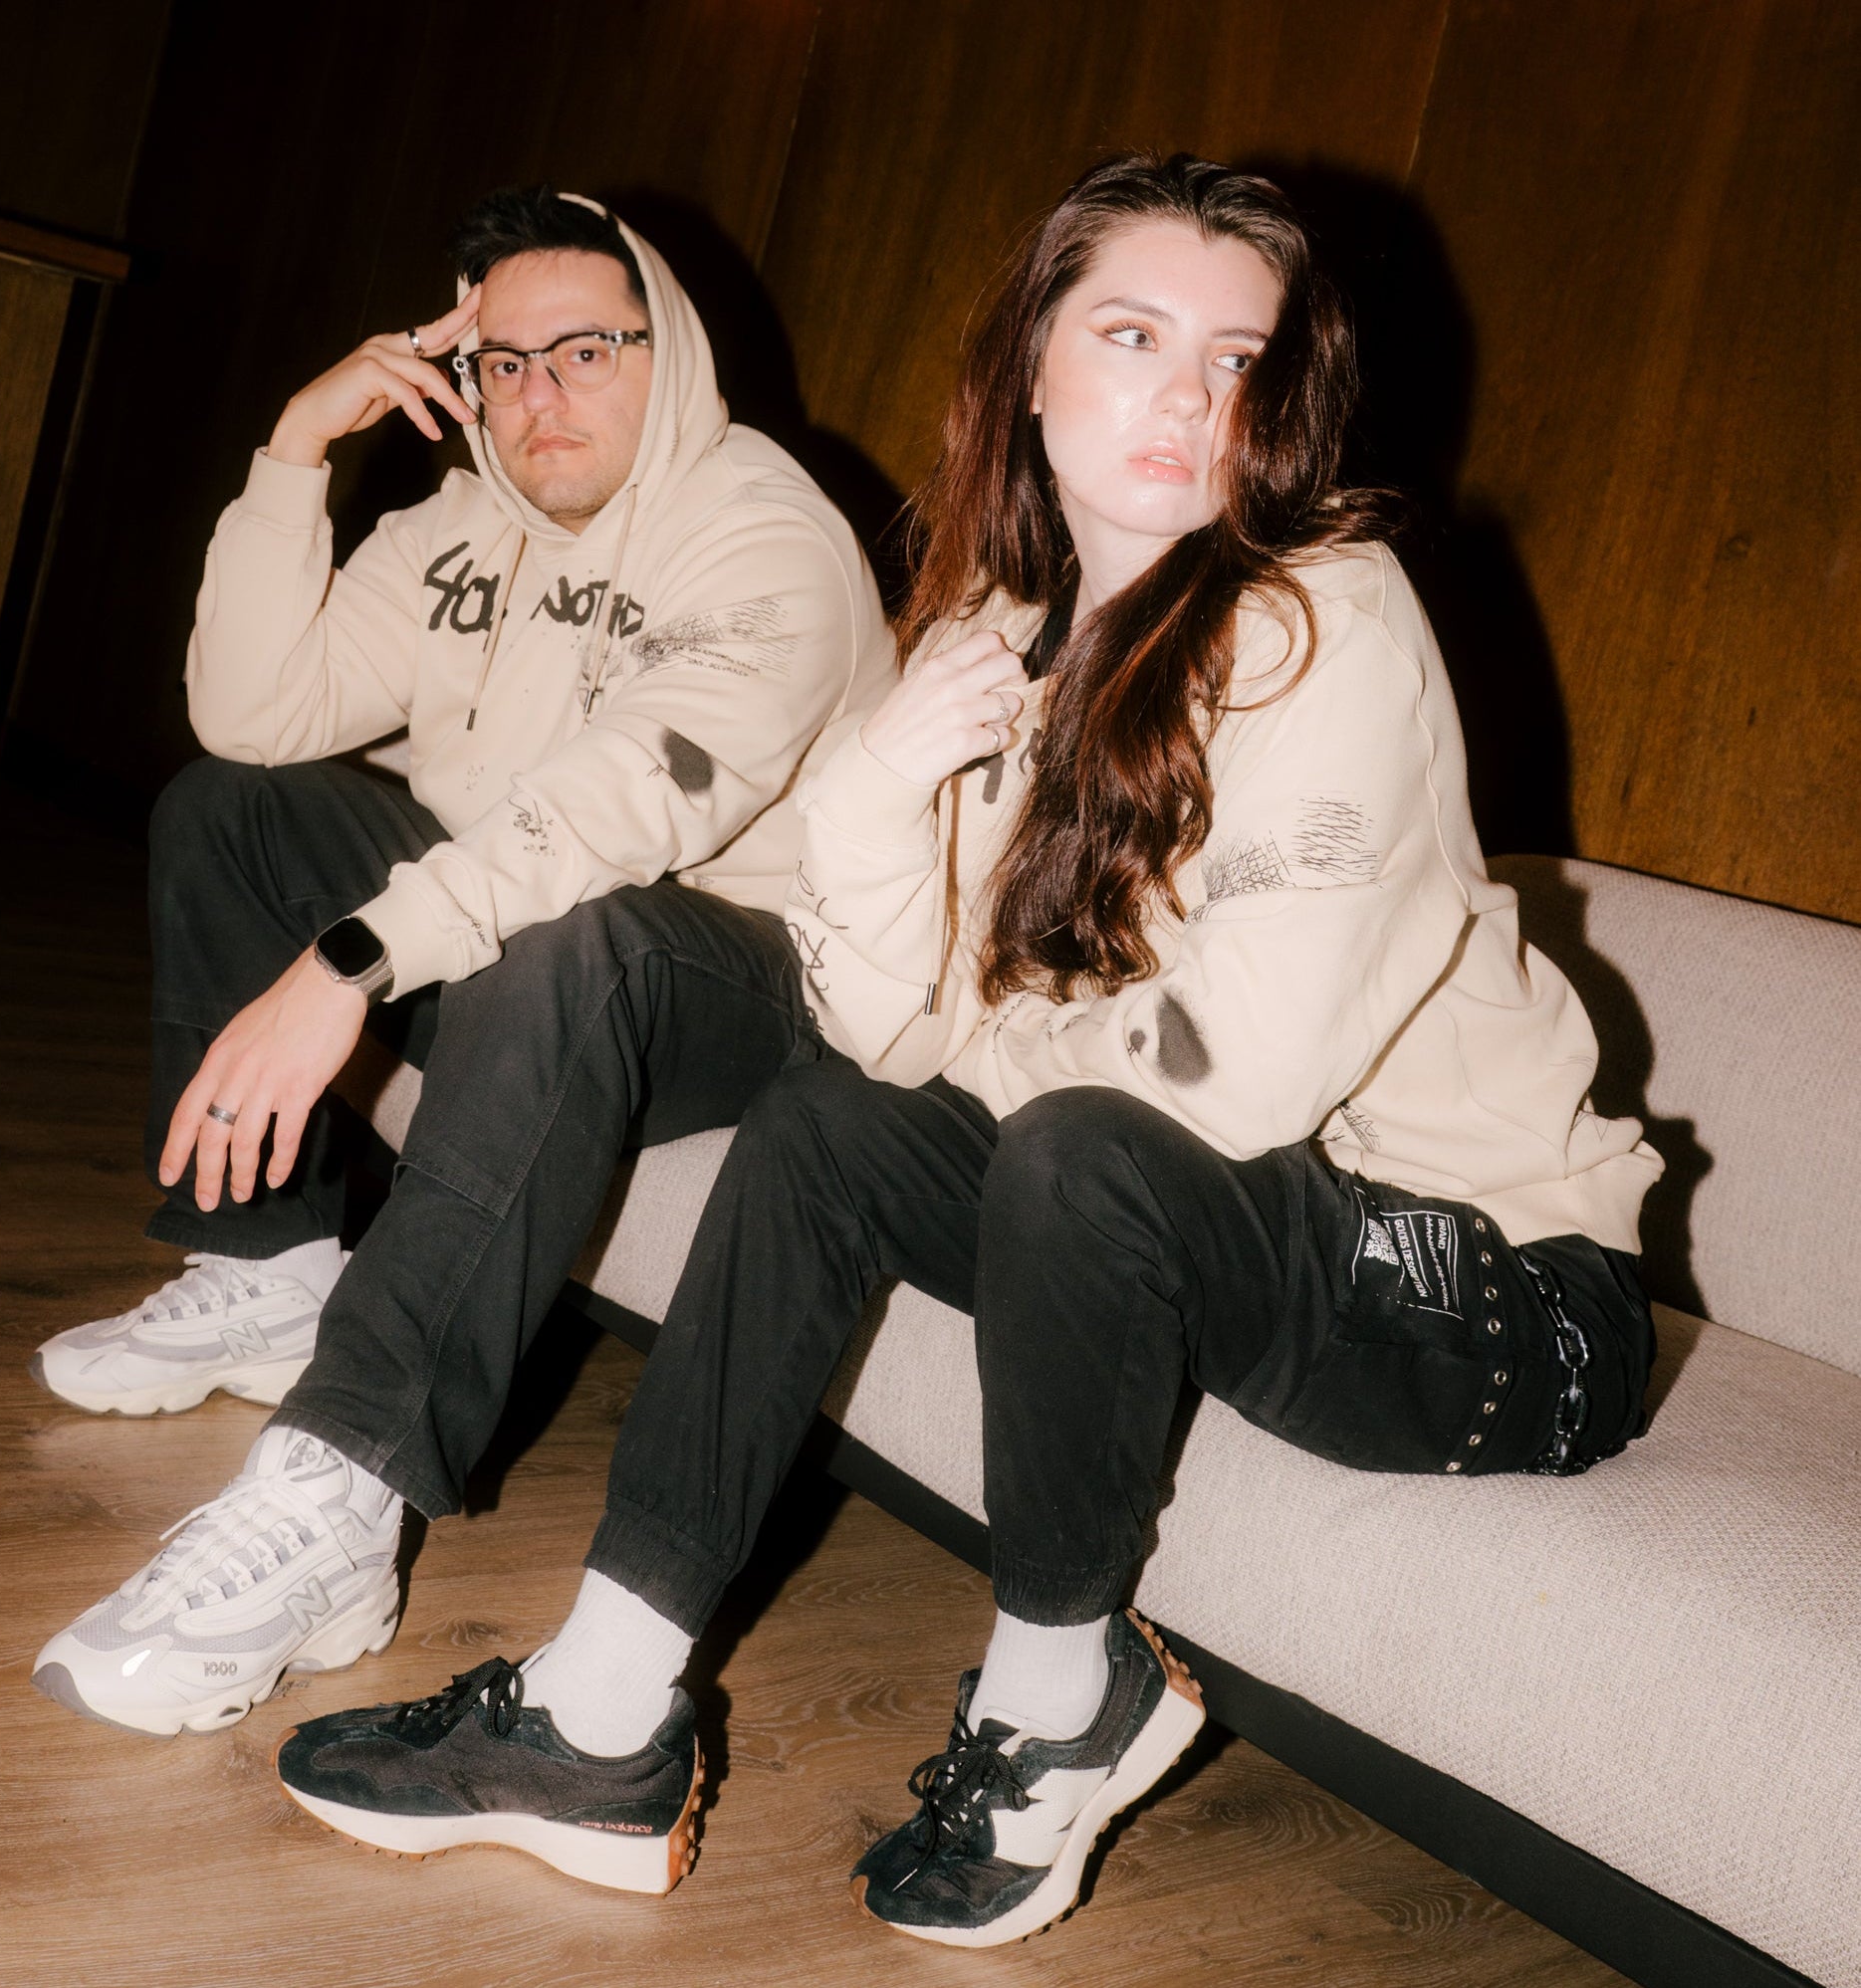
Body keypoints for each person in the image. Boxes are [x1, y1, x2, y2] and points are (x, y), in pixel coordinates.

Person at [239, 151, 1663, 1945]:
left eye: (1236, 359)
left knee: (1077, 1144)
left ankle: (1066, 1696)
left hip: (1504, 1291)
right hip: (1229, 1219)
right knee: (830, 1125)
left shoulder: (1337, 620)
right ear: (1033, 367)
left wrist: (985, 1052)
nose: (1188, 398)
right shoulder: (1003, 639)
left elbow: (1240, 1071)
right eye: (1133, 336)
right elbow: (885, 1025)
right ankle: (601, 1712)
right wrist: (878, 783)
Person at [29, 188, 895, 1734]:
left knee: (576, 933)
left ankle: (340, 1498)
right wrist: (296, 449)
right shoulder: (459, 525)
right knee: (232, 810)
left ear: (669, 351)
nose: (538, 395)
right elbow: (252, 714)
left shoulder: (769, 540)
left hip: (741, 971)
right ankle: (267, 1270)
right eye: (503, 362)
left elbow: (615, 813)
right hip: (515, 921)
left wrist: (346, 966)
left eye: (585, 351)